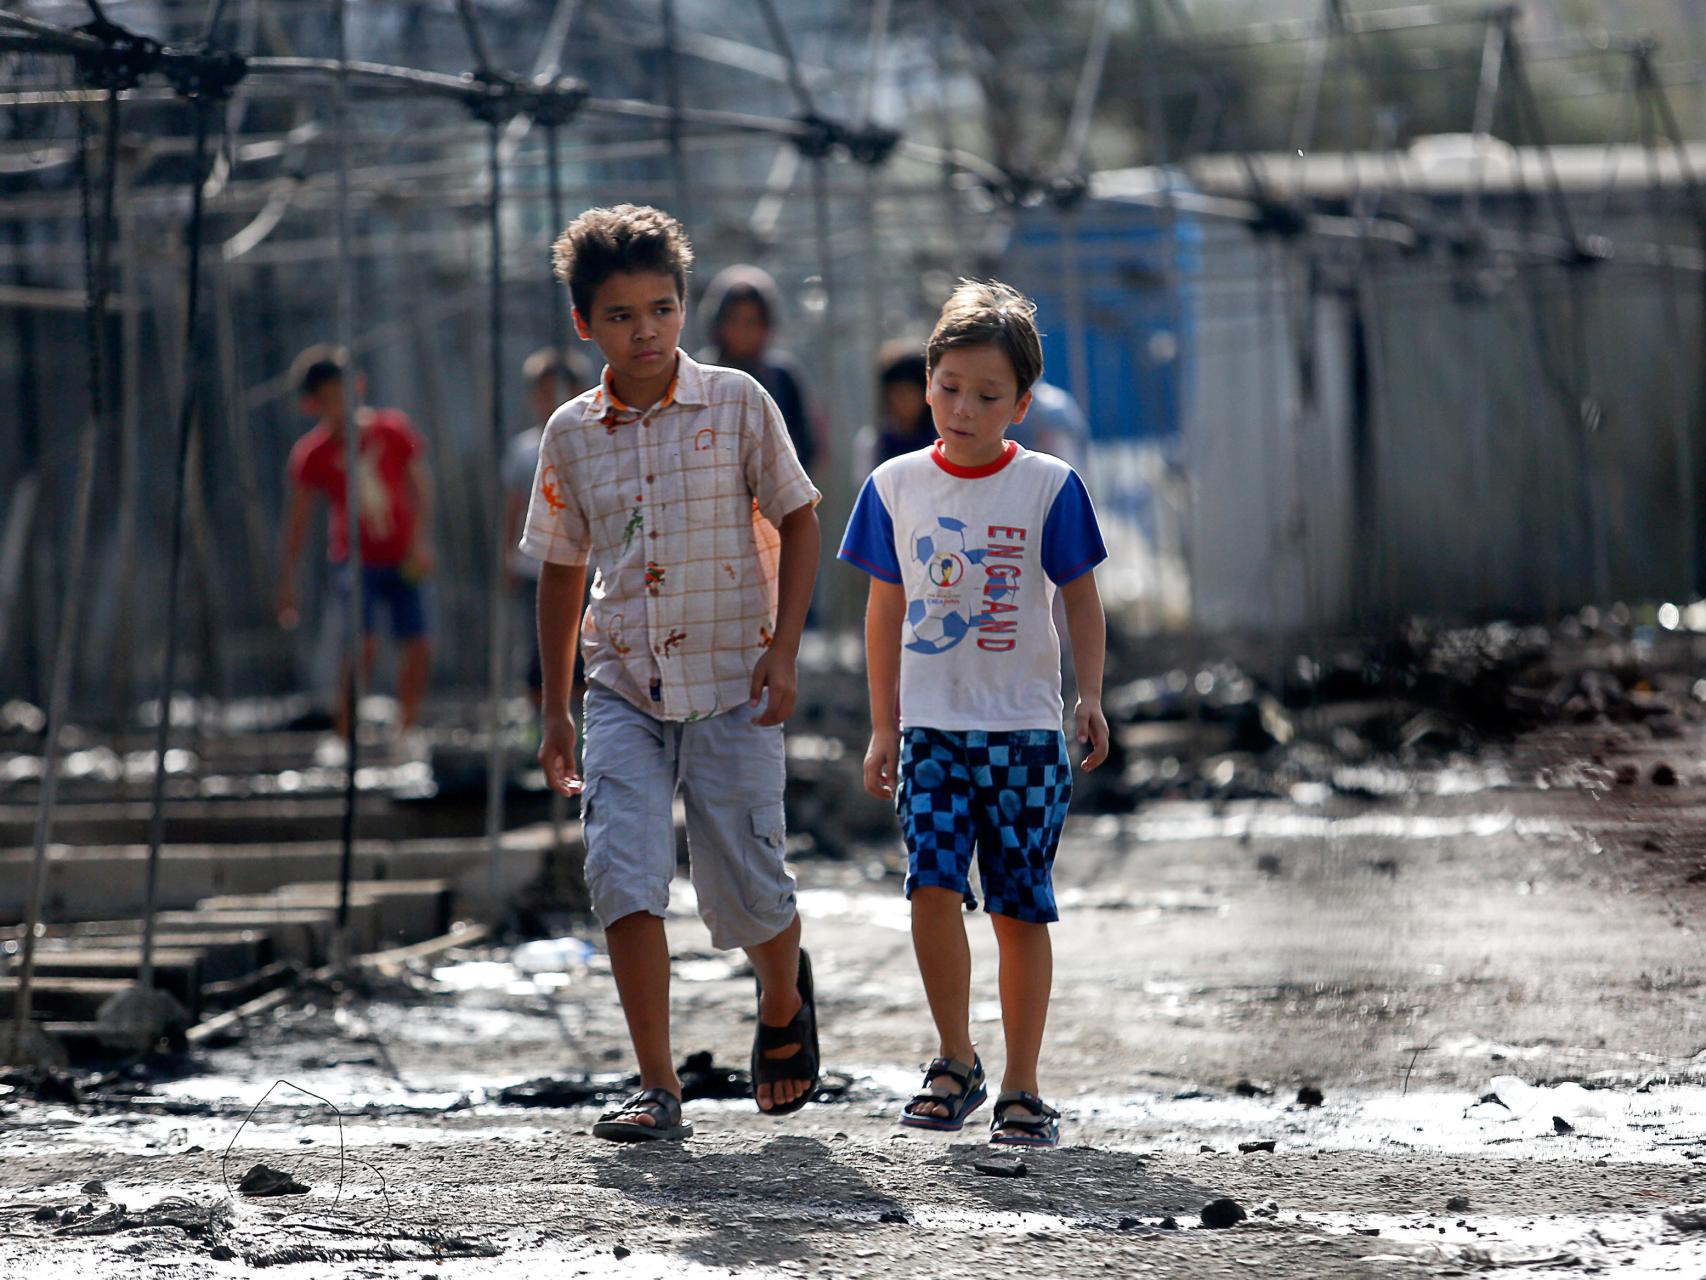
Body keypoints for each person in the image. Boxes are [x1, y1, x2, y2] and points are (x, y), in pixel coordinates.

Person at [522, 205, 823, 1142]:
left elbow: (802, 518)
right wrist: (556, 710)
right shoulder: (572, 433)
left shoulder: (738, 402)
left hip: (736, 677)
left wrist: (784, 651)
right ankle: (657, 1084)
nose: (644, 329)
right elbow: (564, 567)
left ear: (684, 306)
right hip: (620, 685)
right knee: (622, 872)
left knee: (745, 887)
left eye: (660, 308)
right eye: (620, 315)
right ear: (584, 325)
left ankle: (781, 997)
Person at [837, 279, 1110, 1149]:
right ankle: (955, 1058)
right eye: (950, 387)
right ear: (926, 383)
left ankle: (1024, 1086)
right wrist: (884, 725)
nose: (963, 408)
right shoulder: (893, 485)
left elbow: (1080, 597)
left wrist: (1089, 696)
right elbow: (884, 611)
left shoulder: (1048, 487)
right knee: (931, 888)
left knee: (1019, 908)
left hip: (1026, 734)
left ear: (1021, 403)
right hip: (931, 733)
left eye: (988, 396)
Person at [276, 346, 434, 738]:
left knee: (417, 646)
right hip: (354, 560)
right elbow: (298, 521)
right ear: (311, 405)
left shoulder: (392, 429)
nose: (338, 405)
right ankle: (345, 735)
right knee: (359, 648)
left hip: (402, 556)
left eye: (342, 393)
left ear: (358, 387)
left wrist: (419, 542)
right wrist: (287, 581)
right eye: (327, 399)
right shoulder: (311, 453)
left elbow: (420, 491)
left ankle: (405, 731)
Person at [502, 346, 593, 709]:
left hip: (585, 562)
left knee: (584, 646)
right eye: (545, 391)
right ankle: (539, 722)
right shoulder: (524, 449)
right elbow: (512, 504)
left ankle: (580, 723)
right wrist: (508, 554)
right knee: (539, 645)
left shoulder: (591, 440)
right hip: (534, 565)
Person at [698, 264, 821, 481]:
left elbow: (805, 446)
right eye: (734, 320)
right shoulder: (700, 377)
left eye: (751, 322)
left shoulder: (782, 378)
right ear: (717, 324)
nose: (743, 331)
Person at [851, 342, 935, 480]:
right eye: (897, 393)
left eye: (910, 392)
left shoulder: (940, 440)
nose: (903, 401)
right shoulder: (872, 443)